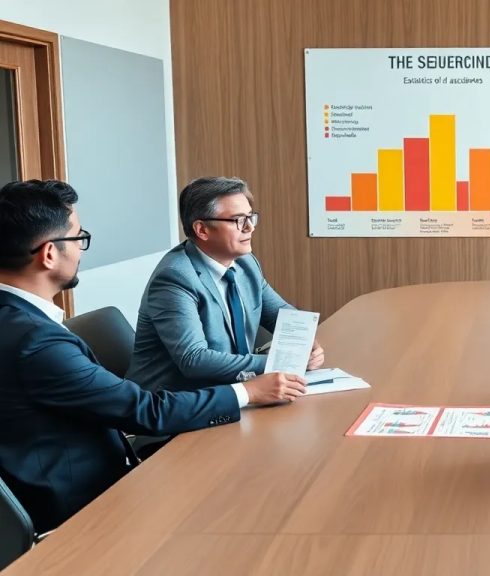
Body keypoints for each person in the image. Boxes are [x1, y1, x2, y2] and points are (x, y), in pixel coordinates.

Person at [0, 179, 307, 533]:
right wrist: (249, 391)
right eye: (78, 238)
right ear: (49, 254)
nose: (82, 250)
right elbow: (147, 411)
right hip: (88, 510)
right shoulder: (37, 343)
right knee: (255, 506)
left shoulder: (19, 323)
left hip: (97, 474)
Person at [128, 176, 324, 393]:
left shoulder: (245, 263)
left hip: (233, 391)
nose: (250, 227)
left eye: (250, 217)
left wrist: (305, 344)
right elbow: (195, 360)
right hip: (177, 401)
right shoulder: (175, 277)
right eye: (238, 220)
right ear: (202, 230)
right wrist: (278, 363)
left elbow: (284, 315)